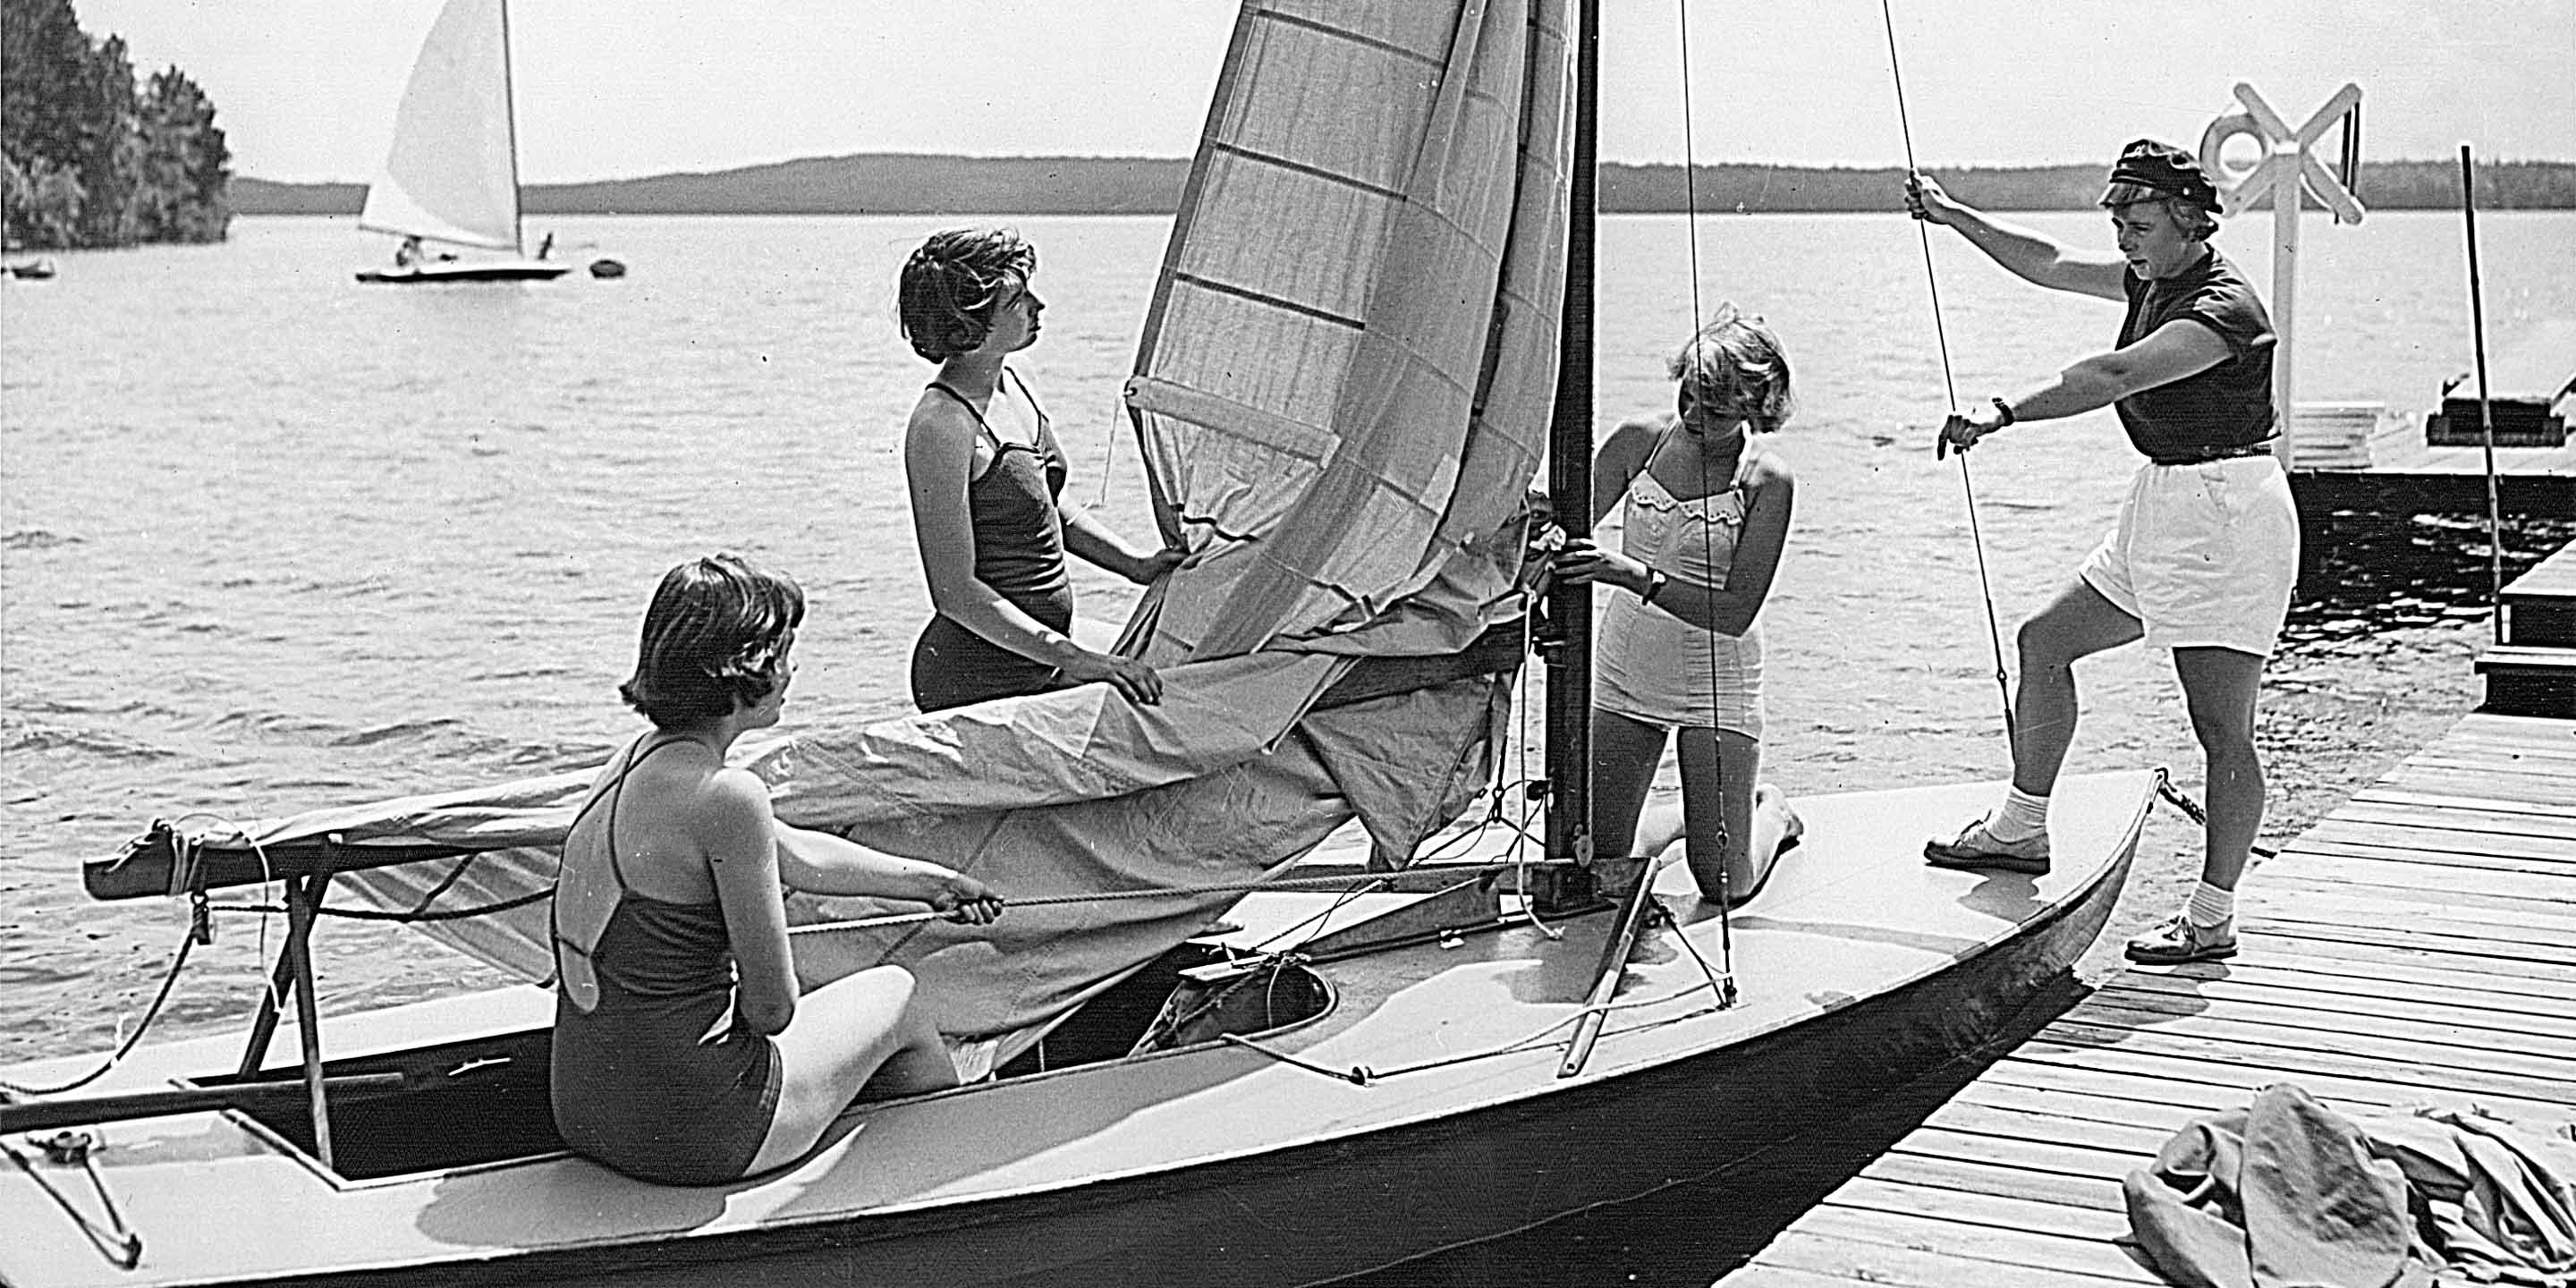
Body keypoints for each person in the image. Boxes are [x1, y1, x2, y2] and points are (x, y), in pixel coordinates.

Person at [1905, 140, 2299, 966]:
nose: (2124, 236)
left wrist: (2003, 409)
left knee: (2220, 727)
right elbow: (2048, 262)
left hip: (2228, 516)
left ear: (2191, 221)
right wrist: (1951, 215)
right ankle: (2019, 830)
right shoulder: (2150, 280)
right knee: (2044, 644)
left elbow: (2117, 374)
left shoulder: (2223, 308)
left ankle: (2212, 914)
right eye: (2118, 220)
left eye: (2141, 222)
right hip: (2163, 502)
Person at [550, 554, 1005, 1186]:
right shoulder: (728, 797)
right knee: (896, 994)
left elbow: (795, 854)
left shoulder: (637, 762)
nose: (793, 670)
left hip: (587, 1113)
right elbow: (772, 1011)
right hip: (697, 1132)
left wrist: (929, 883)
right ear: (744, 671)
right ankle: (939, 1190)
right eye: (784, 653)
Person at [1553, 308, 1803, 907]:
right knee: (1602, 866)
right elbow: (1567, 528)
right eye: (1687, 396)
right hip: (1627, 666)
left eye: (1714, 409)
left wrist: (1628, 574)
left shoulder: (1767, 481)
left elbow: (1737, 609)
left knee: (1722, 884)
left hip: (1718, 679)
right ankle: (1683, 819)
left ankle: (1772, 813)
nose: (1694, 416)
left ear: (1755, 406)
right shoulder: (1639, 440)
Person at [894, 228, 1184, 712]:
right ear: (970, 324)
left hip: (1042, 655)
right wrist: (1079, 660)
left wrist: (1135, 565)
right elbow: (956, 594)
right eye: (1018, 299)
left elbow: (1045, 504)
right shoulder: (941, 424)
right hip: (978, 677)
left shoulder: (1009, 383)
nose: (1039, 304)